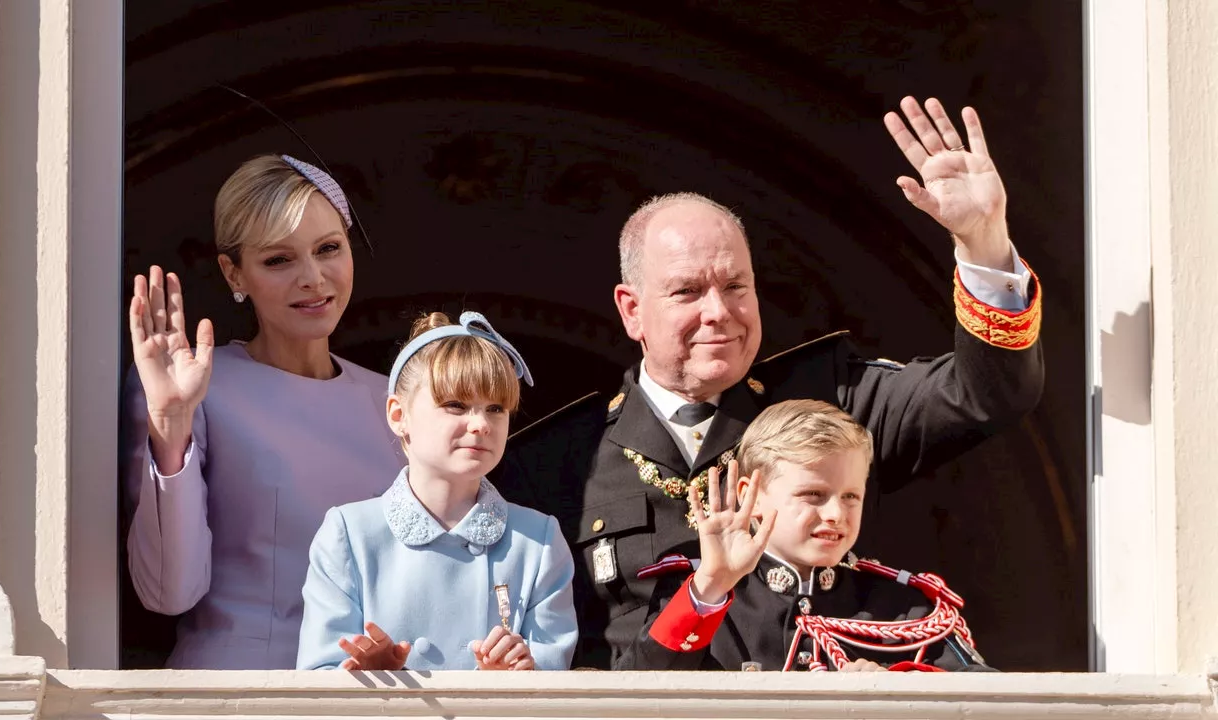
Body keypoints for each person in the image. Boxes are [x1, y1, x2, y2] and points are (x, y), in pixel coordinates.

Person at [493, 96, 1044, 669]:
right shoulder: (554, 463)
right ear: (632, 310)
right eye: (687, 291)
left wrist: (983, 242)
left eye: (736, 287)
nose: (719, 312)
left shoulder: (830, 399)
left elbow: (988, 396)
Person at [122, 154, 405, 669]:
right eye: (279, 260)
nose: (313, 278)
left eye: (328, 249)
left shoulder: (396, 400)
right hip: (240, 693)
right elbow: (169, 593)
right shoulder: (198, 387)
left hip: (375, 699)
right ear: (235, 273)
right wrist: (170, 425)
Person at [296, 312, 578, 671]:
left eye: (496, 409)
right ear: (399, 415)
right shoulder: (349, 533)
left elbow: (559, 693)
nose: (480, 425)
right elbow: (316, 684)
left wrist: (517, 678)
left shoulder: (538, 542)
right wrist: (369, 678)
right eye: (456, 405)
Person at [618, 399, 989, 672]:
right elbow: (632, 697)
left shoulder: (904, 608)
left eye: (850, 497)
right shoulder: (698, 595)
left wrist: (902, 689)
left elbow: (992, 700)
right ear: (751, 496)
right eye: (813, 495)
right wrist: (712, 586)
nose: (835, 514)